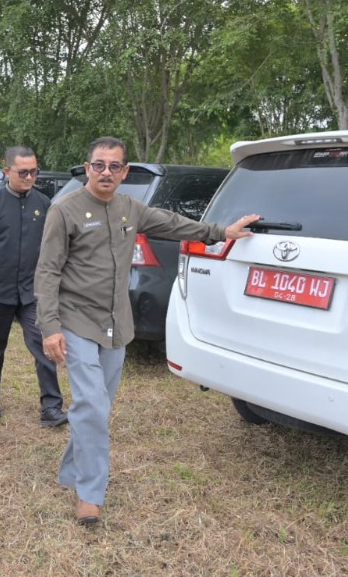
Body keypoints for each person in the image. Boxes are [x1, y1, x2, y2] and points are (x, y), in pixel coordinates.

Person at [34, 136, 261, 526]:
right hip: (76, 321)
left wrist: (222, 232)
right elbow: (47, 271)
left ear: (124, 171)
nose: (107, 172)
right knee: (91, 406)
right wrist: (50, 326)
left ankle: (71, 471)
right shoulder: (65, 210)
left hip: (117, 325)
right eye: (99, 165)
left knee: (97, 406)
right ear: (88, 168)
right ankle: (90, 493)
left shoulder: (129, 208)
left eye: (115, 166)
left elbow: (174, 225)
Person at [0, 146, 67, 427]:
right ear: (7, 171)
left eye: (34, 171)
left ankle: (51, 406)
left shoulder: (44, 203)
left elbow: (51, 247)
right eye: (23, 172)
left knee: (44, 344)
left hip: (32, 291)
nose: (29, 177)